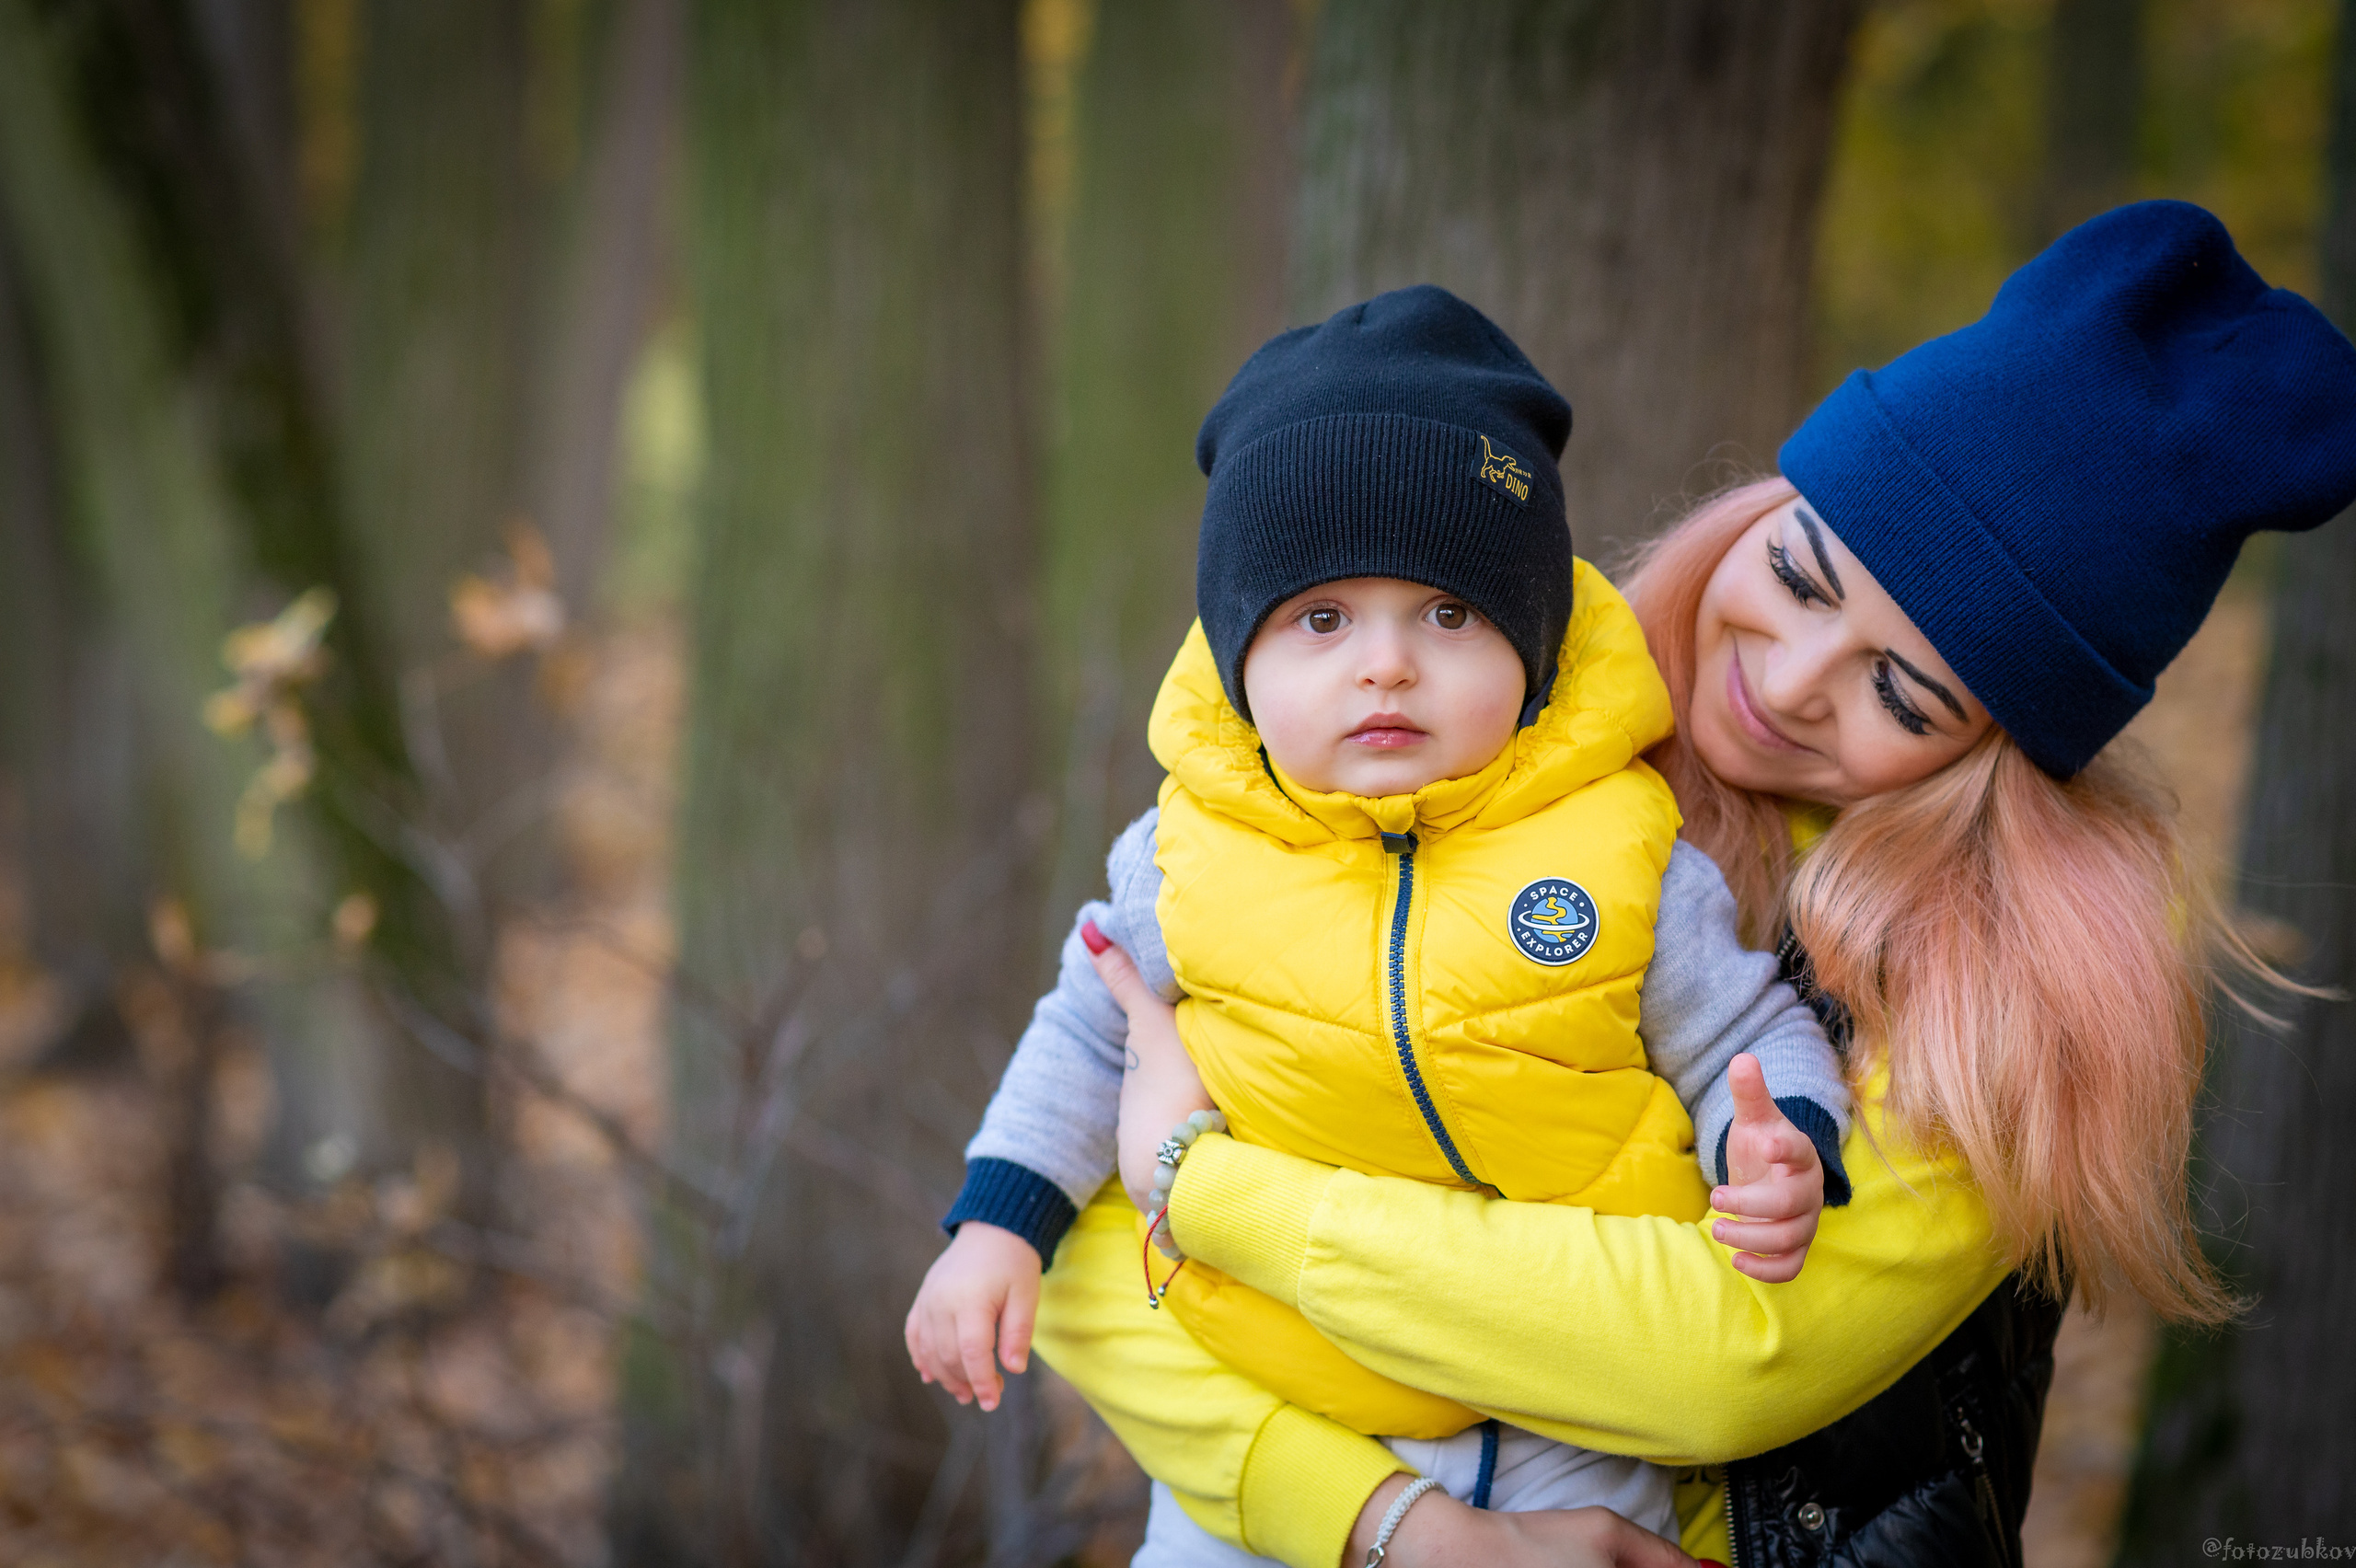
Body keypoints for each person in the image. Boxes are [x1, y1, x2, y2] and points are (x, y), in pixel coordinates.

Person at [1026, 200, 2356, 1567]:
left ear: (2004, 749)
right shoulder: (1489, 741)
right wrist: (1394, 1528)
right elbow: (1068, 1261)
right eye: (1796, 574)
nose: (1784, 682)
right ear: (1760, 512)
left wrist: (1206, 1186)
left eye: (1899, 690)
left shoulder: (2016, 999)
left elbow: (1717, 1354)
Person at [906, 285, 1855, 1548]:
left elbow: (1745, 1029)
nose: (1388, 664)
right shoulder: (1182, 858)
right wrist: (995, 1225)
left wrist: (1783, 1142)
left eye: (1450, 616)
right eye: (1322, 619)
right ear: (1240, 658)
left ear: (1536, 652)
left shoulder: (1622, 851)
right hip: (1283, 1394)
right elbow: (1090, 1035)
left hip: (1560, 1426)